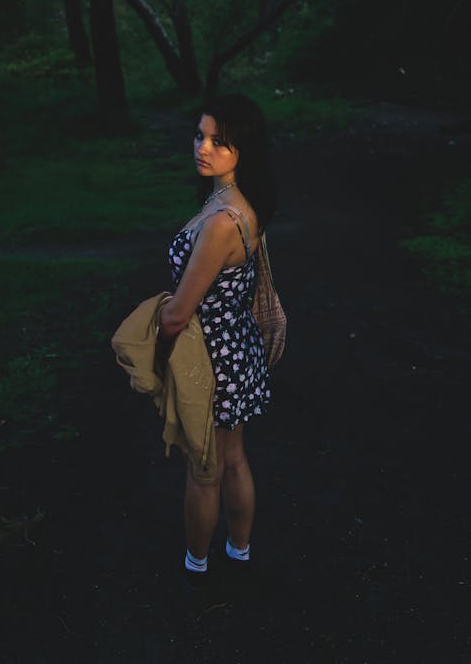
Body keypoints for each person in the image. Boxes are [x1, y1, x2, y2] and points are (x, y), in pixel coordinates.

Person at [159, 93, 276, 590]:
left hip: (209, 358)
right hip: (238, 349)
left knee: (203, 470)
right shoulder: (243, 205)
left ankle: (196, 566)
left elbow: (179, 315)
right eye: (199, 135)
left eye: (218, 141)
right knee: (232, 459)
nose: (202, 148)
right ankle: (240, 550)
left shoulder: (219, 224)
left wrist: (154, 324)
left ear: (241, 149)